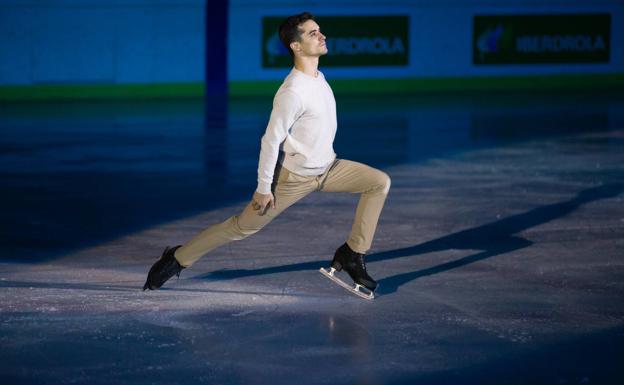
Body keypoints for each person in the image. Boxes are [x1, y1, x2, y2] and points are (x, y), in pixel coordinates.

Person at [143, 12, 390, 296]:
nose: (322, 36)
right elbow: (271, 140)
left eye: (319, 30)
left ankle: (352, 254)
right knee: (242, 227)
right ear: (295, 46)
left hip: (329, 168)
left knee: (378, 182)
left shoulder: (318, 78)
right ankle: (177, 258)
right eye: (312, 33)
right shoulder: (293, 92)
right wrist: (263, 188)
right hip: (294, 178)